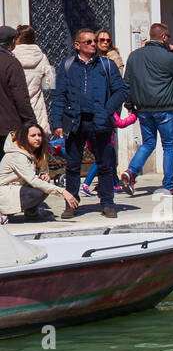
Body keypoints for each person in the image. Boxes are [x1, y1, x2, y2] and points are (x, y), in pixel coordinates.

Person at [49, 26, 127, 217]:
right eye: (89, 42)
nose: (94, 44)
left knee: (105, 163)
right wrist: (57, 123)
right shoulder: (68, 66)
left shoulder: (106, 65)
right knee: (73, 164)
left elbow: (121, 91)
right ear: (78, 45)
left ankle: (107, 203)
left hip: (100, 122)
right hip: (75, 122)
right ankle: (72, 203)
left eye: (95, 41)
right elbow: (59, 95)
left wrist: (107, 111)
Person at [121, 22, 173, 197]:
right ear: (163, 37)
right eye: (168, 37)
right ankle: (169, 186)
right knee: (168, 146)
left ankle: (131, 172)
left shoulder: (134, 56)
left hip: (144, 109)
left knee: (148, 143)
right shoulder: (168, 56)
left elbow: (127, 83)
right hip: (165, 109)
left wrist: (130, 106)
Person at [0, 124, 78, 222]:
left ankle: (31, 212)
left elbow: (39, 172)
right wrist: (63, 191)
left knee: (44, 183)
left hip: (16, 188)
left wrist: (42, 174)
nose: (37, 138)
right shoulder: (17, 155)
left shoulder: (34, 152)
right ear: (24, 137)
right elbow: (32, 180)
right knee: (39, 190)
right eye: (33, 136)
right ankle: (4, 212)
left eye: (39, 135)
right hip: (4, 192)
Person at [81, 108, 137, 196]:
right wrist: (134, 116)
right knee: (100, 161)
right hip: (105, 142)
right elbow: (119, 123)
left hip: (93, 141)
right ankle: (86, 185)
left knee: (112, 161)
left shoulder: (90, 108)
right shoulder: (107, 107)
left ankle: (115, 184)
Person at [0, 25, 37, 158]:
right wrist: (31, 122)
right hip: (7, 127)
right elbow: (20, 97)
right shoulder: (11, 63)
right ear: (12, 42)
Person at [12, 26, 54, 133]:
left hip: (15, 107)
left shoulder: (11, 57)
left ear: (17, 38)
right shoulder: (42, 57)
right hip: (36, 108)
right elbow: (50, 83)